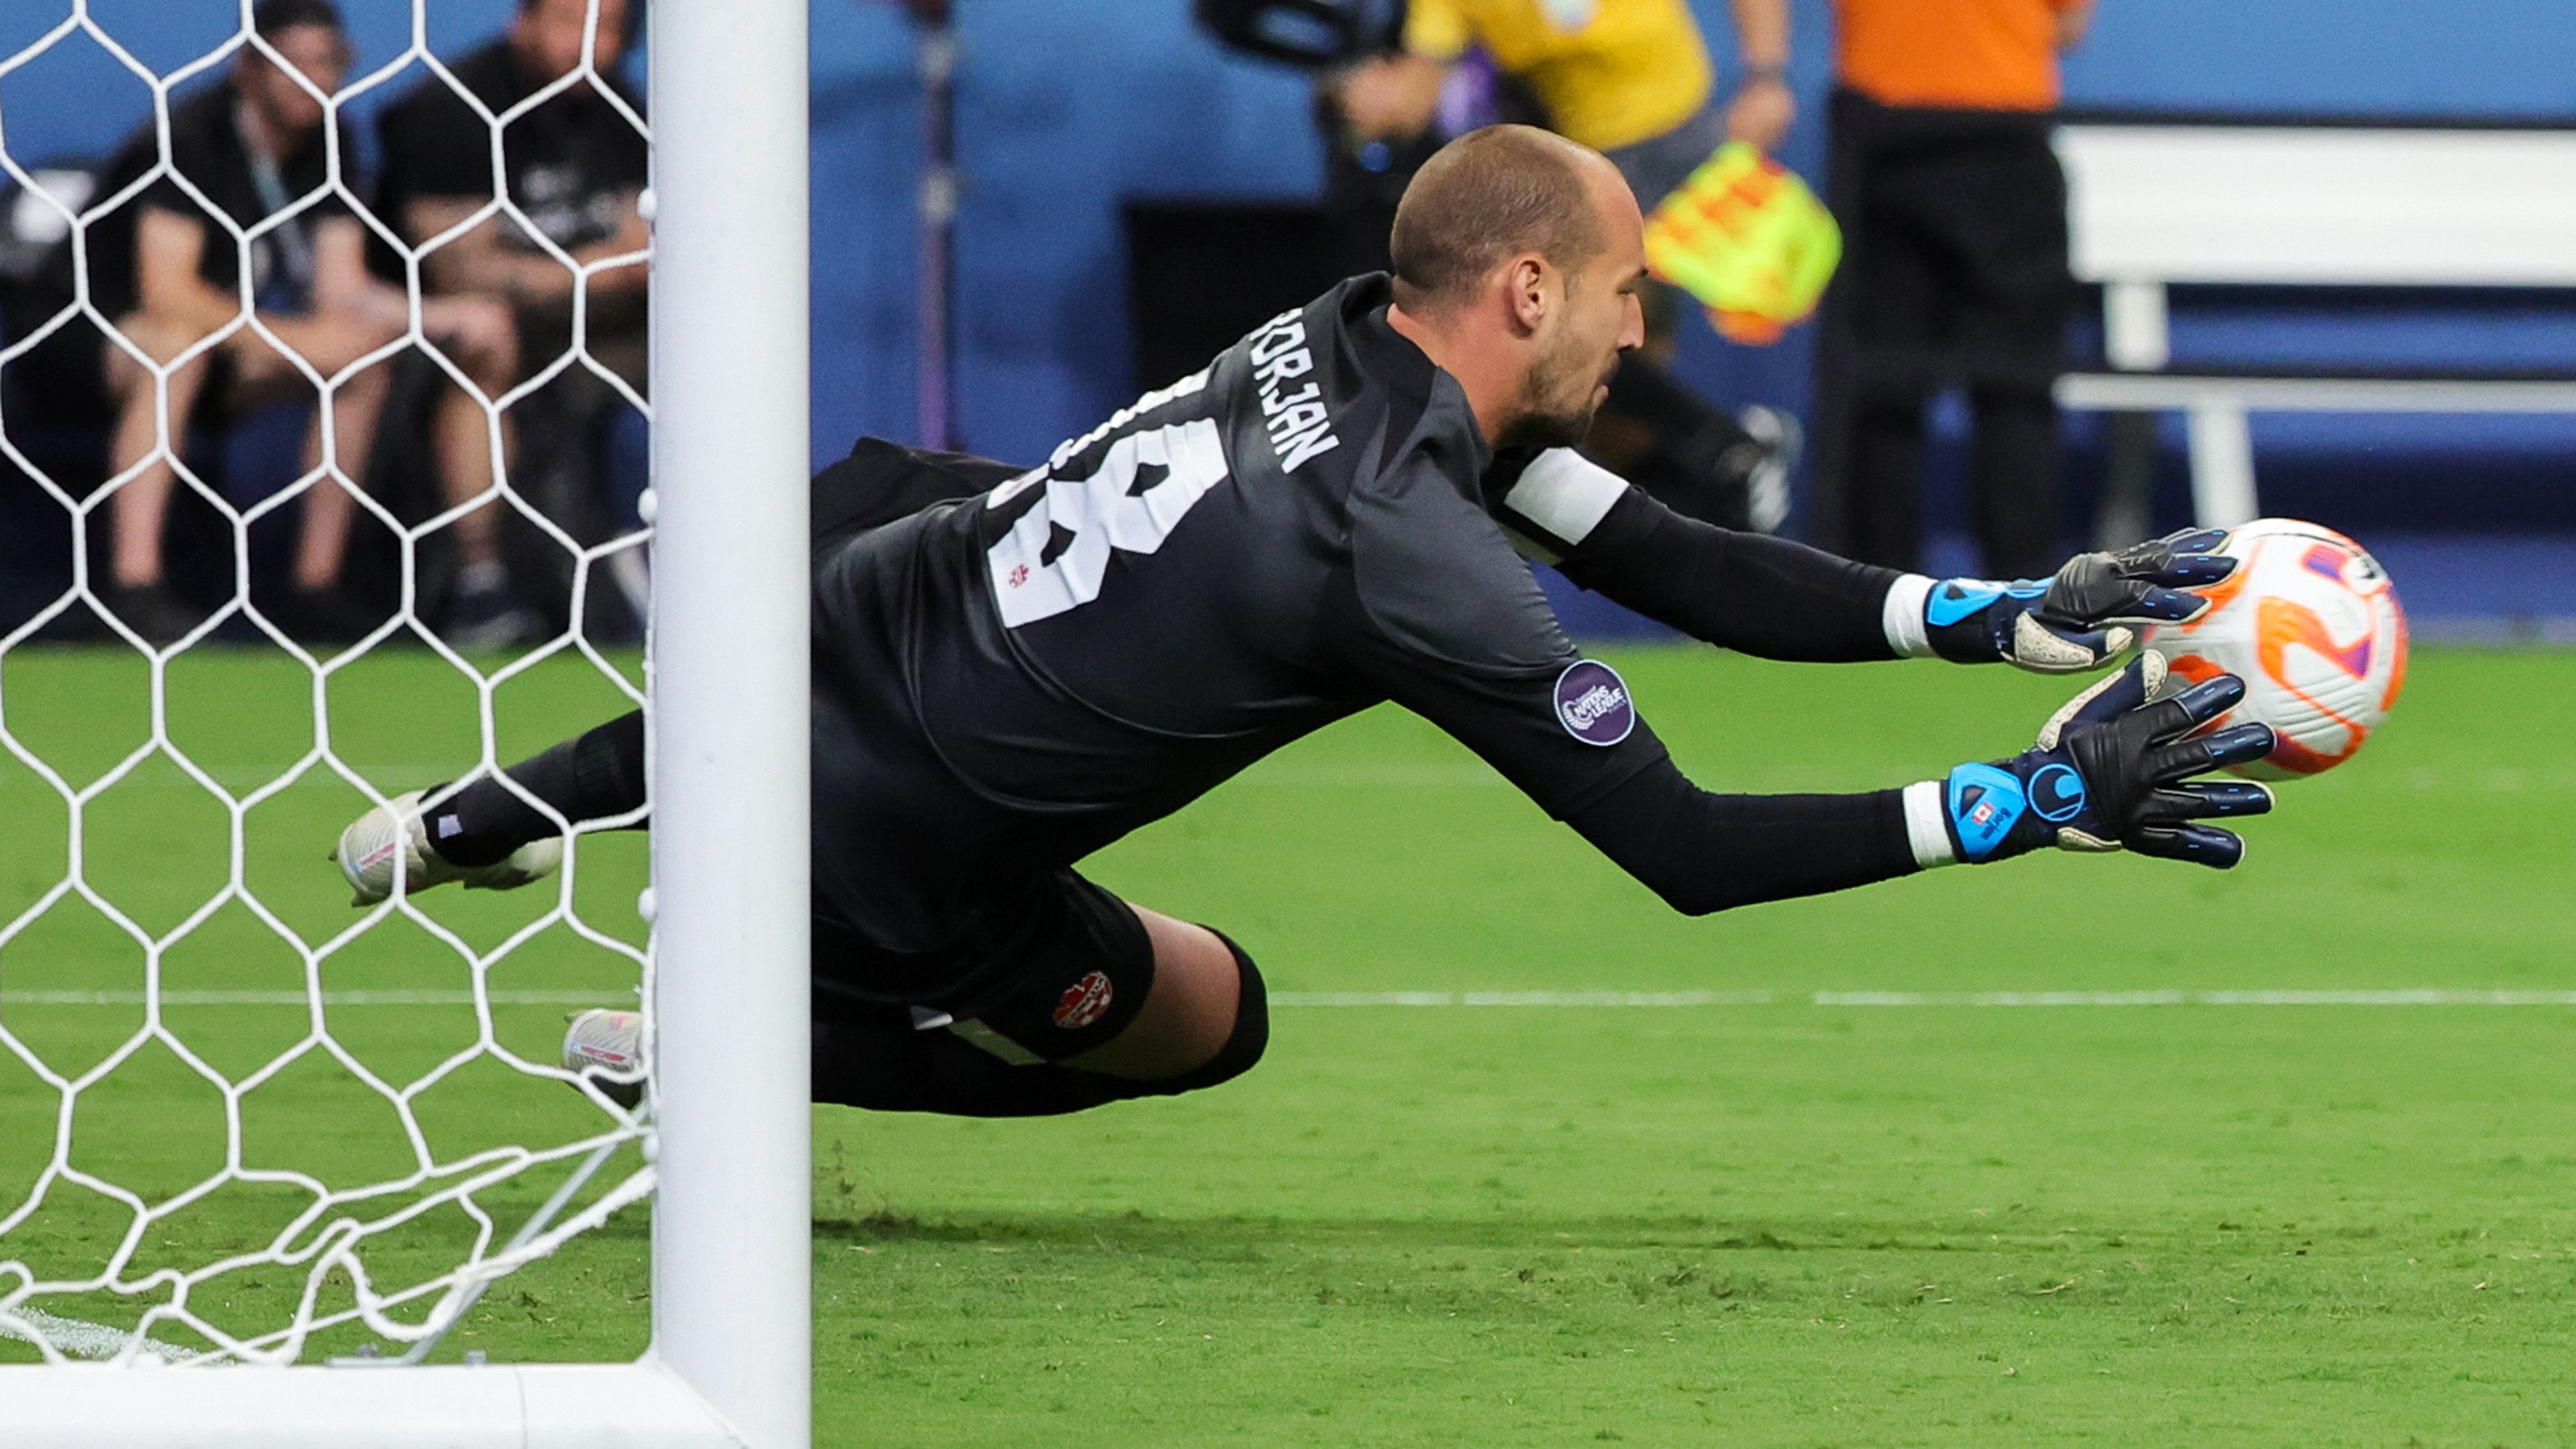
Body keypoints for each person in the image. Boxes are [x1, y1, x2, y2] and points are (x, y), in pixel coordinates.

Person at [332, 126, 2274, 1117]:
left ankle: (483, 819)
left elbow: (1667, 557)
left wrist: (1995, 616)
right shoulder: (1401, 554)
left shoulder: (1348, 334)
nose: (1641, 336)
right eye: (1621, 295)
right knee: (1207, 1024)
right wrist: (2026, 805)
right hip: (903, 852)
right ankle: (743, 1047)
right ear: (1523, 289)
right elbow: (1682, 850)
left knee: (870, 660)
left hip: (824, 621)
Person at [88, 0, 517, 644]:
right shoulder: (189, 136)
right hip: (106, 339)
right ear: (250, 69)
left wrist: (442, 316)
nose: (317, 80)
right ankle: (136, 587)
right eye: (299, 64)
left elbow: (340, 289)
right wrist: (288, 339)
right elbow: (165, 292)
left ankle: (315, 586)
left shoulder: (332, 140)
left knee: (359, 360)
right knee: (171, 351)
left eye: (331, 63)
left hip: (232, 346)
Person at [1329, 0, 1800, 534]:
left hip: (1683, 140)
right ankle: (1722, 475)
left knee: (1572, 342)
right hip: (1594, 161)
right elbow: (1418, 84)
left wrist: (1766, 76)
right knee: (1576, 378)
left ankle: (1727, 455)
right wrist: (1371, 100)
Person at [1720, 0, 2092, 578]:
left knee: (1879, 387)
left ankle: (1873, 596)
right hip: (2002, 134)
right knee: (2013, 389)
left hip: (1885, 138)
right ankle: (2026, 600)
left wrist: (1765, 75)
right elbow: (2068, 28)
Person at [371, 0, 650, 649]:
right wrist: (591, 268)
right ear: (520, 22)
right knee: (488, 335)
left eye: (608, 28)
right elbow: (457, 273)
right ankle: (480, 579)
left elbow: (637, 239)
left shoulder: (616, 106)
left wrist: (612, 269)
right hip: (438, 331)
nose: (590, 44)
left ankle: (694, 563)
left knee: (712, 351)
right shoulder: (449, 110)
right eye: (571, 22)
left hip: (587, 325)